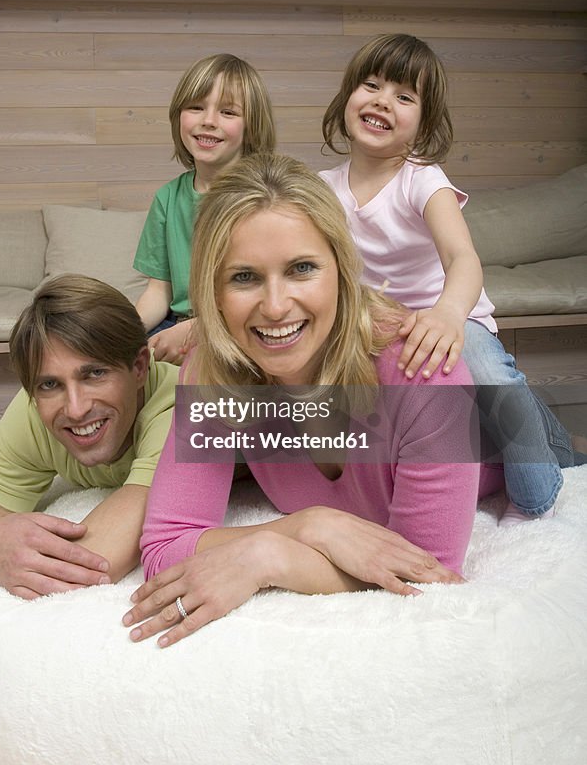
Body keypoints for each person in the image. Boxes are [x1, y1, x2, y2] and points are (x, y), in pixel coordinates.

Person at [122, 153, 504, 648]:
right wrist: (309, 527)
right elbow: (167, 545)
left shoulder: (427, 374)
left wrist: (270, 558)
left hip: (496, 437)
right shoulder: (216, 370)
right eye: (244, 277)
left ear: (343, 272)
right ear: (212, 293)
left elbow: (424, 571)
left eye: (302, 268)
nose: (276, 305)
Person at [319, 32, 579, 525]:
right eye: (371, 85)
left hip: (450, 315)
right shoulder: (322, 188)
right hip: (377, 326)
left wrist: (449, 314)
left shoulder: (423, 178)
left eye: (404, 96)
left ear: (422, 124)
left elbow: (463, 259)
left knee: (489, 376)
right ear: (347, 96)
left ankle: (537, 492)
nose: (382, 102)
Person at [0, 275, 178, 600]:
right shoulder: (31, 413)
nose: (75, 409)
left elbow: (88, 566)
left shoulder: (183, 408)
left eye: (95, 374)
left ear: (139, 368)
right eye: (49, 384)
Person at [133, 53, 276, 365]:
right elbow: (159, 293)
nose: (208, 120)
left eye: (227, 111)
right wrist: (120, 334)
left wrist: (199, 329)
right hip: (177, 322)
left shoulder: (263, 197)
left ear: (251, 126)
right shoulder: (167, 198)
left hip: (245, 326)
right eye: (196, 107)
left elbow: (264, 294)